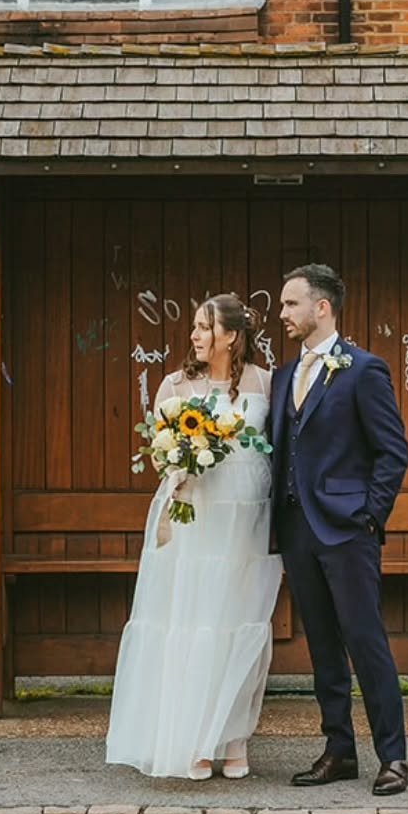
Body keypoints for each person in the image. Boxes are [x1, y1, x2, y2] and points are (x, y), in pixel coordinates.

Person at [106, 294, 281, 781]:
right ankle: (193, 737)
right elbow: (160, 455)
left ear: (231, 335)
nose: (195, 335)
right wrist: (179, 460)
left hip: (247, 522)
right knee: (193, 621)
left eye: (204, 327)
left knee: (240, 622)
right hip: (195, 518)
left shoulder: (266, 382)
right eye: (196, 326)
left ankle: (234, 737)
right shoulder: (176, 384)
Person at [270, 263, 408, 796]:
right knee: (323, 649)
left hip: (348, 531)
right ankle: (339, 750)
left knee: (365, 642)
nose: (282, 314)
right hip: (297, 530)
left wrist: (370, 516)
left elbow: (392, 452)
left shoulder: (363, 370)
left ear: (322, 307)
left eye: (291, 304)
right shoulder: (283, 377)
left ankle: (393, 757)